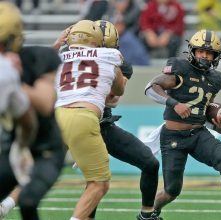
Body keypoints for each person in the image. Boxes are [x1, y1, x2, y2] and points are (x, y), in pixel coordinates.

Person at [144, 29, 221, 220]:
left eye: (209, 53)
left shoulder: (216, 78)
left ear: (216, 56)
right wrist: (174, 104)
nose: (205, 56)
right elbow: (151, 87)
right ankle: (150, 213)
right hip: (173, 137)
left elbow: (203, 108)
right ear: (192, 51)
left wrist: (218, 127)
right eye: (201, 51)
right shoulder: (179, 68)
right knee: (172, 190)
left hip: (198, 133)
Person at [84, 20, 160, 220]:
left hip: (103, 126)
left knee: (150, 163)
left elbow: (113, 100)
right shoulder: (72, 59)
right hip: (73, 123)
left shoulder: (119, 65)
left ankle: (146, 214)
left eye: (105, 48)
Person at [54, 19, 125, 220]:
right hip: (83, 116)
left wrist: (58, 43)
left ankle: (6, 205)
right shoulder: (110, 55)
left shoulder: (61, 57)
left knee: (42, 170)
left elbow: (40, 64)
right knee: (99, 183)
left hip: (56, 115)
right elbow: (117, 92)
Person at [0, 2, 65, 220]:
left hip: (45, 149)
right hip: (12, 147)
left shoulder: (37, 57)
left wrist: (13, 79)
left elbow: (46, 103)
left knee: (28, 201)